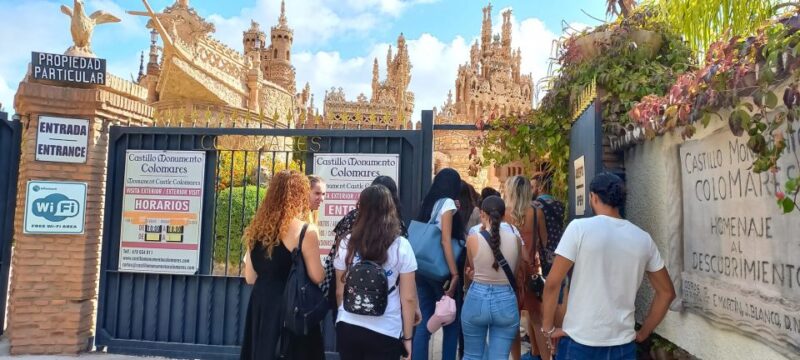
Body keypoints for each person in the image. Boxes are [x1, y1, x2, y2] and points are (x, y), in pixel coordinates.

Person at [541, 173, 676, 360]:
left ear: (592, 197)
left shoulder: (579, 229)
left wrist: (548, 328)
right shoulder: (643, 239)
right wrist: (644, 333)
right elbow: (667, 293)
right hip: (622, 346)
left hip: (579, 343)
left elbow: (552, 283)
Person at [241, 170, 325, 360]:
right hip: (291, 306)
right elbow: (317, 276)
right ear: (299, 195)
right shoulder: (305, 230)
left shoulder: (256, 229)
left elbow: (250, 277)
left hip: (261, 303)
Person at [334, 185, 419, 359]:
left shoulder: (347, 243)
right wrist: (408, 338)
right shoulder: (400, 246)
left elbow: (339, 292)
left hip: (348, 325)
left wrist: (346, 314)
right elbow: (408, 298)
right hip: (386, 328)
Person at [413, 168, 466, 360]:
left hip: (422, 270)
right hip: (441, 272)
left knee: (424, 321)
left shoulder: (428, 202)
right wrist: (455, 274)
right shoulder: (448, 203)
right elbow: (445, 240)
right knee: (450, 321)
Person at [461, 195, 522, 359]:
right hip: (506, 302)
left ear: (482, 214)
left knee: (472, 355)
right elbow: (514, 275)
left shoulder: (473, 239)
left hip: (477, 299)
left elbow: (473, 270)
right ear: (504, 215)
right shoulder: (516, 240)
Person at [502, 175, 537, 360]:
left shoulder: (503, 214)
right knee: (536, 318)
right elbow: (542, 243)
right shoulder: (535, 212)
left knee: (513, 323)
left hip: (510, 273)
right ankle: (539, 353)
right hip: (530, 270)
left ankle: (516, 358)